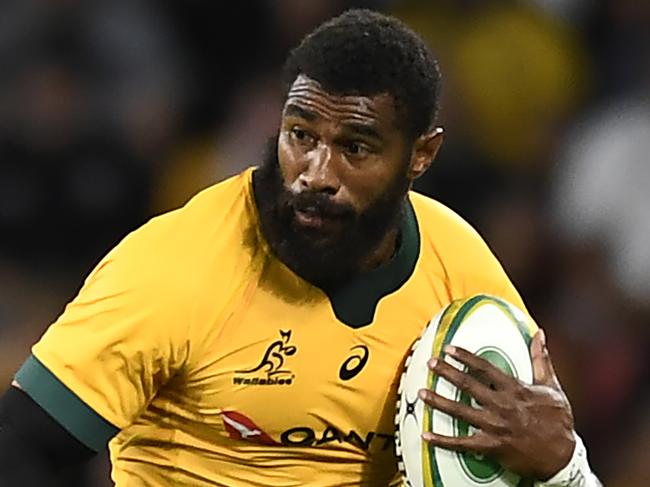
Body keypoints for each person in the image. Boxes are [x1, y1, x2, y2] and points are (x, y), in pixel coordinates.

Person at [0, 9, 600, 487]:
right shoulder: (176, 264)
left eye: (355, 148)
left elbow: (537, 442)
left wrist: (562, 465)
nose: (315, 173)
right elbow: (20, 450)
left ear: (422, 154)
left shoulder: (458, 267)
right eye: (301, 135)